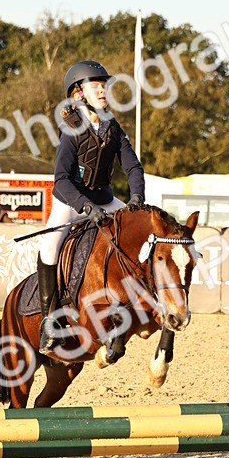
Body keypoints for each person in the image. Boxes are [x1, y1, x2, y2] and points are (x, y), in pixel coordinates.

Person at [36, 60, 145, 352]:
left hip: (106, 199)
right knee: (48, 249)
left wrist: (136, 199)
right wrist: (84, 207)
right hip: (72, 201)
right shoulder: (71, 128)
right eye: (97, 86)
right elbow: (60, 180)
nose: (103, 90)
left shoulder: (112, 127)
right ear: (79, 93)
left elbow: (133, 168)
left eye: (104, 86)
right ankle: (49, 322)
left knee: (142, 232)